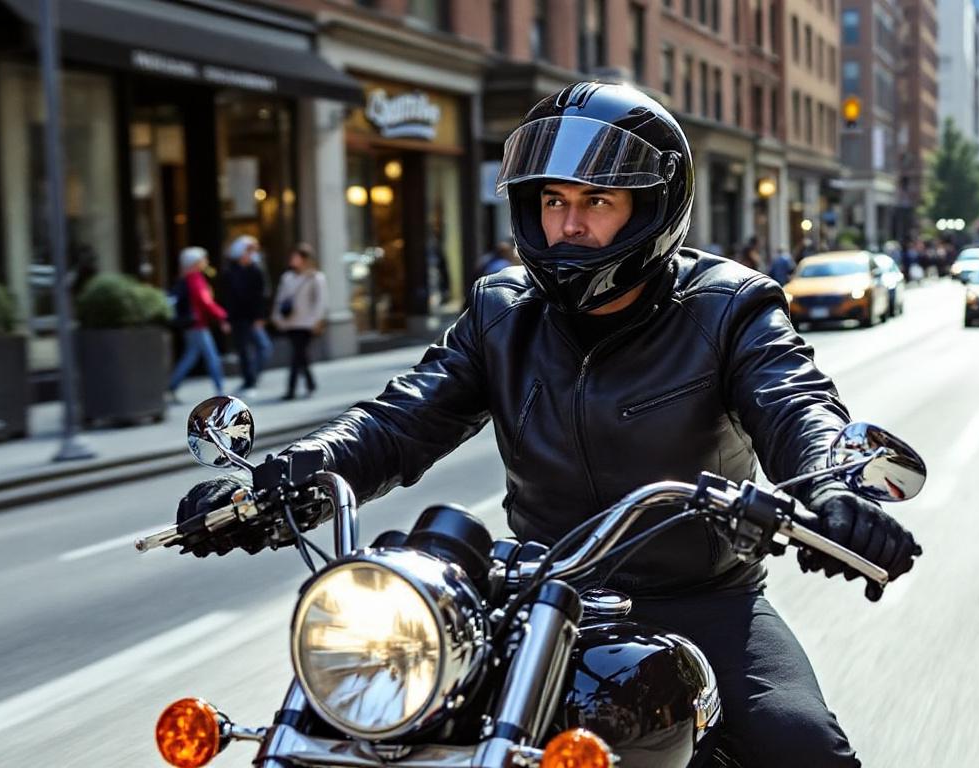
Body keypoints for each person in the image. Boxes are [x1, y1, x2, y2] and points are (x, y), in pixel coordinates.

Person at [172, 83, 919, 767]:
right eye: (552, 200)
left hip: (703, 599)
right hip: (530, 600)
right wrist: (290, 473)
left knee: (802, 745)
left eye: (597, 202)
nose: (568, 226)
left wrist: (834, 488)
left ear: (651, 209)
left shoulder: (731, 308)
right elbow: (402, 418)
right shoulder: (503, 312)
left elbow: (795, 404)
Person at [167, 247, 230, 401]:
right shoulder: (195, 279)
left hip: (193, 325)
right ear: (195, 262)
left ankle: (172, 386)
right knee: (212, 357)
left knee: (191, 357)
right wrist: (222, 315)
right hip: (198, 326)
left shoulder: (187, 279)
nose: (206, 262)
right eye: (203, 259)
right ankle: (220, 390)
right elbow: (205, 302)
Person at [272, 243, 328, 401]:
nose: (292, 260)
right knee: (301, 355)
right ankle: (310, 383)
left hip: (307, 323)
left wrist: (318, 320)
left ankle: (291, 389)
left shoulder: (316, 277)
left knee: (297, 355)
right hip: (291, 322)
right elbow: (280, 298)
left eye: (295, 257)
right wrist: (276, 317)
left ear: (304, 259)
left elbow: (321, 301)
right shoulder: (287, 277)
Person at [223, 235, 273, 398]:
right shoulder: (230, 271)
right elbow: (228, 297)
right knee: (243, 350)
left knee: (264, 347)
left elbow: (261, 295)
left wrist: (260, 317)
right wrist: (226, 319)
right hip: (238, 318)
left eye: (253, 251)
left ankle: (252, 377)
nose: (251, 254)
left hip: (253, 317)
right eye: (248, 251)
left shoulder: (256, 270)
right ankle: (249, 381)